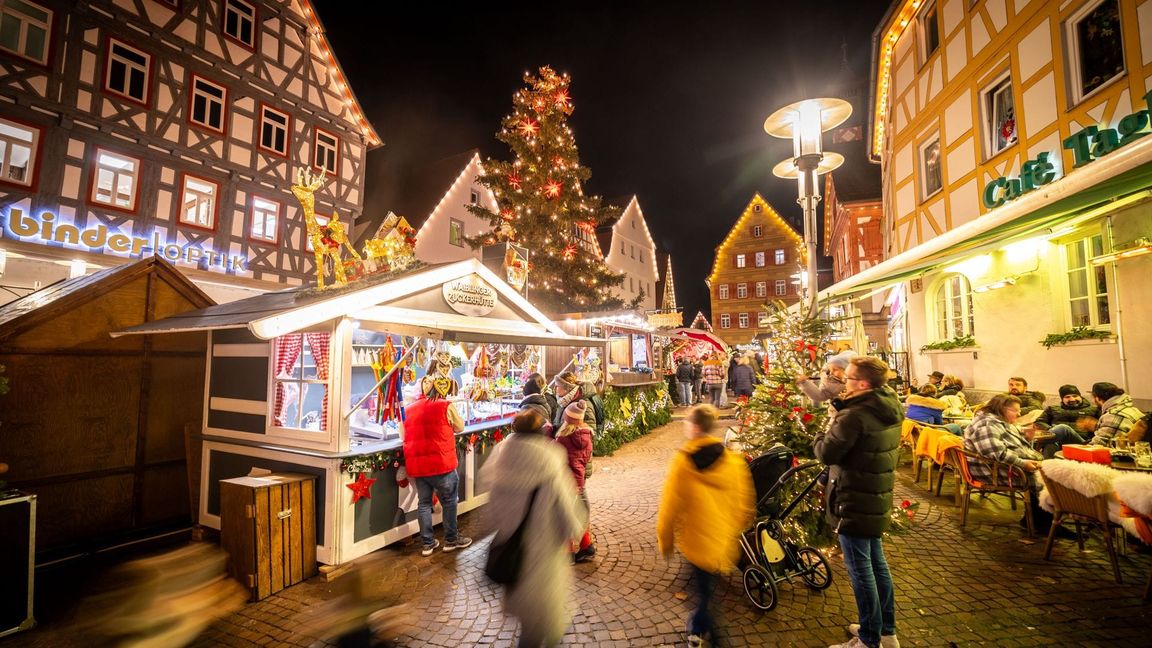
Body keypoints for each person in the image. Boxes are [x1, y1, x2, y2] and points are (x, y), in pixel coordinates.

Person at [814, 356, 902, 648]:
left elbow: (828, 452)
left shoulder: (853, 416)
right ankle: (885, 631)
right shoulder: (887, 405)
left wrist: (827, 425)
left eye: (848, 378)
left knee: (861, 569)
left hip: (853, 496)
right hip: (875, 493)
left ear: (863, 383)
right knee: (877, 563)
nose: (843, 383)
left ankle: (868, 639)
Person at [482, 409, 586, 647]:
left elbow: (492, 510)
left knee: (529, 623)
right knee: (546, 622)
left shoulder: (500, 459)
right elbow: (566, 508)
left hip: (514, 551)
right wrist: (575, 532)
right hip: (543, 550)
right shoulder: (550, 461)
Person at [656, 405, 754, 648]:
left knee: (703, 595)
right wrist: (733, 529)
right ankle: (700, 628)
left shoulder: (684, 462)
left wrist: (665, 540)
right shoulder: (732, 461)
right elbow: (744, 502)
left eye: (687, 422)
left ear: (696, 427)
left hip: (696, 543)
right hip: (721, 540)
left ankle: (704, 633)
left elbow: (670, 505)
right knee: (705, 591)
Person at [963, 394, 1060, 535]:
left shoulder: (1001, 422)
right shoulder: (987, 424)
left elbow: (1016, 446)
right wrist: (1023, 463)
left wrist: (1027, 437)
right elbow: (995, 453)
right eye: (1015, 410)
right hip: (993, 471)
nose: (1019, 413)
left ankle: (1037, 520)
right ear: (1001, 409)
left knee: (1054, 472)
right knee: (1048, 478)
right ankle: (1045, 525)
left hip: (1006, 467)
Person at [404, 376, 472, 556]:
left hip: (419, 465)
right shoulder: (445, 405)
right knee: (449, 501)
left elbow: (403, 434)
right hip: (442, 463)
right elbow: (460, 427)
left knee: (424, 503)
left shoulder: (409, 409)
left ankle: (427, 543)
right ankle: (451, 540)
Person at [555, 400, 596, 562]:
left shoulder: (564, 438)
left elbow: (558, 456)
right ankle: (586, 546)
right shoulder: (586, 435)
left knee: (564, 516)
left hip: (567, 482)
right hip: (579, 480)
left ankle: (568, 553)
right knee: (579, 514)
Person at [1033, 385, 1095, 455]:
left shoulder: (1093, 409)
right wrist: (1052, 429)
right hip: (1057, 440)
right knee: (1051, 443)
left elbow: (1101, 426)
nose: (1072, 399)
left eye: (1075, 396)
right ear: (1062, 399)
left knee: (1063, 428)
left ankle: (1031, 445)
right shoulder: (1052, 409)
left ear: (1080, 396)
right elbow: (1039, 422)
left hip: (1081, 442)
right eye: (1067, 397)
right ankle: (1047, 464)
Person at [1084, 382, 1145, 446]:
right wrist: (1096, 427)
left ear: (1097, 398)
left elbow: (1100, 444)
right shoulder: (1132, 409)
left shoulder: (1114, 415)